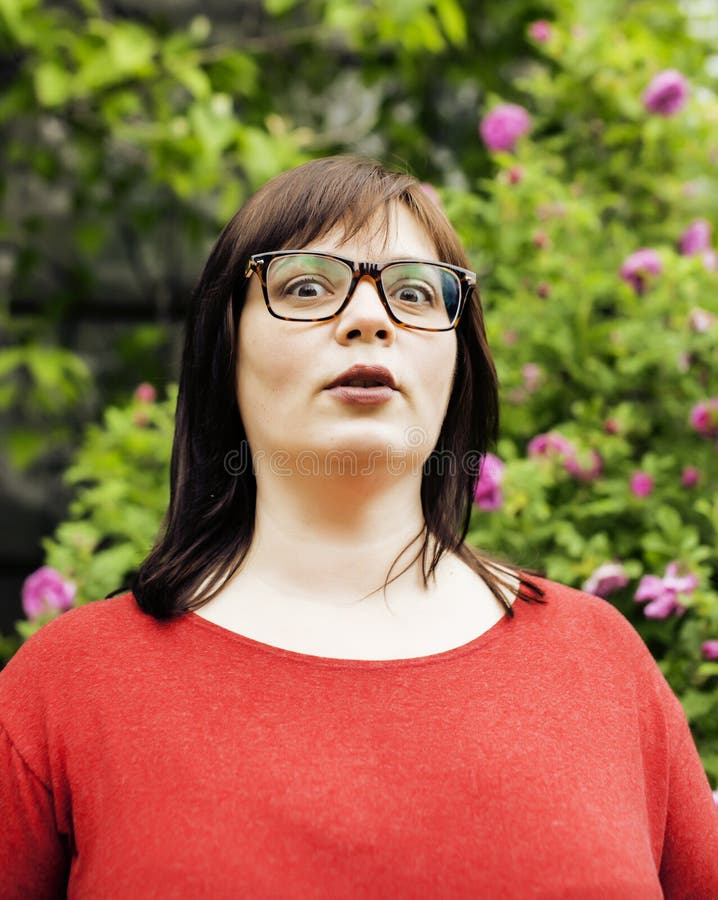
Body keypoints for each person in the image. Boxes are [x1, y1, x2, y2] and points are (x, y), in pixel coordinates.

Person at [1, 156, 716, 899]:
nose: (370, 318)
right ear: (226, 347)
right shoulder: (66, 688)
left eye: (414, 291)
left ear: (458, 361)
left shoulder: (601, 665)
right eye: (307, 286)